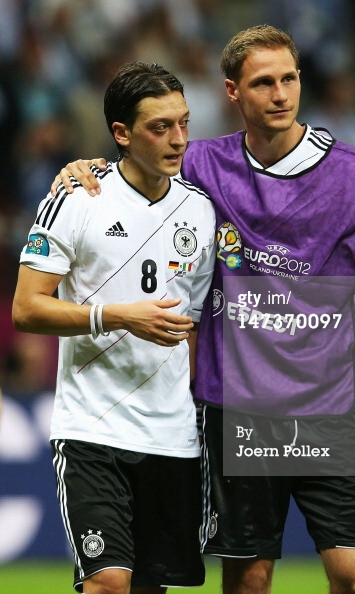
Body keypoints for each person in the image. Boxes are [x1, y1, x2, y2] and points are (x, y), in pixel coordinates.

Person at [51, 25, 355, 594]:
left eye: (289, 78)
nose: (280, 94)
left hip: (331, 403)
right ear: (233, 92)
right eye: (263, 82)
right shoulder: (199, 168)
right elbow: (135, 166)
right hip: (236, 407)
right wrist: (87, 167)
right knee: (249, 582)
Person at [12, 61, 216, 594]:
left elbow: (197, 323)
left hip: (172, 436)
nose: (178, 140)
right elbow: (27, 308)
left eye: (184, 123)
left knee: (148, 587)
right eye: (160, 127)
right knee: (107, 585)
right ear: (121, 134)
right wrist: (116, 315)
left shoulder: (201, 212)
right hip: (91, 429)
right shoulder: (77, 198)